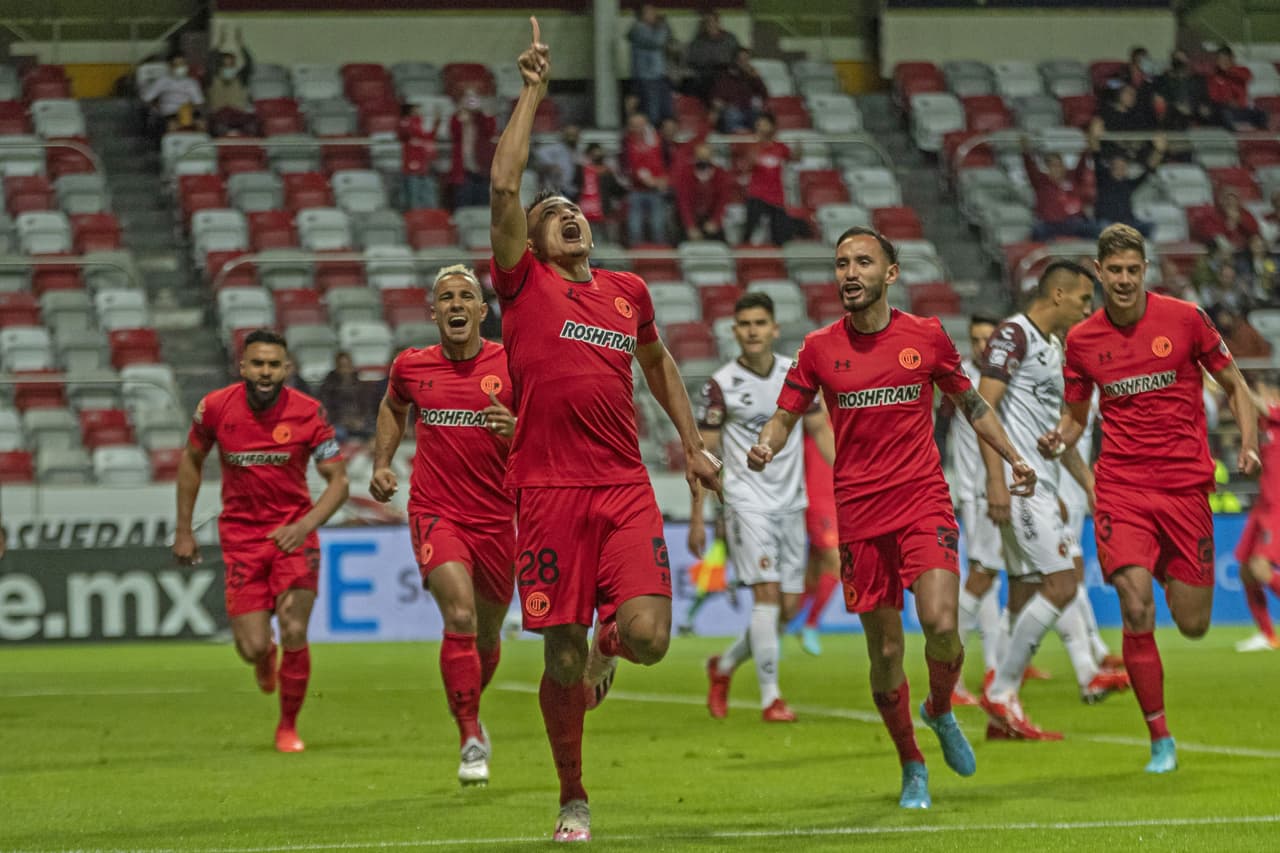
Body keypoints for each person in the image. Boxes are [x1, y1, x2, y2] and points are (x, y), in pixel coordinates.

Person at [489, 19, 723, 841]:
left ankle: (610, 641)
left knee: (652, 638)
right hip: (548, 492)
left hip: (622, 488)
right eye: (554, 215)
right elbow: (503, 189)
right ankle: (573, 794)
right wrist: (532, 90)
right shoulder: (523, 289)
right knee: (555, 662)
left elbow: (658, 366)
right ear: (536, 242)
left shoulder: (627, 291)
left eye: (575, 211)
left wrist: (690, 442)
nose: (569, 217)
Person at [750, 226, 1036, 809]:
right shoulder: (817, 348)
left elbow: (973, 404)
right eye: (840, 264)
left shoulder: (926, 338)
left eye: (861, 262)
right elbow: (785, 415)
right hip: (859, 513)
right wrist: (766, 444)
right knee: (883, 654)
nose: (848, 274)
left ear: (890, 273)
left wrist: (1013, 458)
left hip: (922, 500)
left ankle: (938, 706)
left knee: (940, 623)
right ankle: (911, 761)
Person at [1038, 223, 1260, 773]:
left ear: (1145, 270)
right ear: (1099, 271)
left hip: (1184, 489)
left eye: (1132, 270)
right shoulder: (1083, 340)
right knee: (1135, 604)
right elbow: (1075, 416)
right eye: (1113, 271)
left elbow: (1235, 385)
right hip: (1121, 488)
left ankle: (1161, 563)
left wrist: (1249, 444)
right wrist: (1060, 438)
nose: (1123, 280)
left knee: (1192, 624)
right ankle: (1159, 736)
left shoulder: (1185, 320)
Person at [368, 264, 517, 786]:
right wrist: (382, 463)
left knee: (487, 632)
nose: (456, 305)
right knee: (458, 614)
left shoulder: (512, 363)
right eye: (446, 298)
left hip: (499, 516)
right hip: (437, 510)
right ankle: (470, 735)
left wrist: (516, 428)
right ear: (434, 312)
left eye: (466, 298)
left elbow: (549, 430)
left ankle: (472, 710)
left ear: (482, 311)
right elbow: (393, 407)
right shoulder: (411, 366)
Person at [172, 328, 349, 752]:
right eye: (258, 363)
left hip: (293, 535)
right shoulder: (214, 408)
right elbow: (192, 460)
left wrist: (304, 527)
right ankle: (263, 657)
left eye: (273, 364)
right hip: (242, 539)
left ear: (286, 368)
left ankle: (288, 727)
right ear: (243, 366)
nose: (265, 372)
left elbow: (338, 482)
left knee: (294, 628)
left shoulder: (308, 412)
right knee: (251, 647)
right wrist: (183, 530)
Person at [976, 261, 1130, 741]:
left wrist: (1087, 484)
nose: (1090, 309)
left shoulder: (1052, 347)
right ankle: (1001, 691)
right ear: (1059, 295)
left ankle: (1001, 714)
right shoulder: (1013, 335)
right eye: (1085, 299)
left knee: (1024, 593)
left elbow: (1052, 436)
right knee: (1062, 584)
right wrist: (996, 481)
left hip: (1042, 483)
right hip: (1020, 487)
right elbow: (981, 406)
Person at [692, 292, 834, 722]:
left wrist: (850, 475)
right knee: (767, 599)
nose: (752, 331)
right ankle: (771, 697)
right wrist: (701, 515)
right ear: (735, 332)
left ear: (774, 329)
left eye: (760, 323)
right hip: (746, 504)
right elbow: (706, 455)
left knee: (787, 608)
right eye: (744, 324)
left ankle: (725, 665)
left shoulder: (796, 376)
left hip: (792, 504)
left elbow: (820, 431)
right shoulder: (720, 385)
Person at [940, 314, 1004, 706]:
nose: (983, 346)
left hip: (1010, 492)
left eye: (990, 339)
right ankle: (950, 671)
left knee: (992, 582)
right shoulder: (960, 378)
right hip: (983, 496)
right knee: (982, 578)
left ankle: (997, 665)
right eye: (976, 339)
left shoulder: (1003, 378)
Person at [1235, 373, 1280, 652]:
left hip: (1277, 508)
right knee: (1245, 572)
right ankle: (1267, 635)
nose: (1262, 394)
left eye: (1265, 389)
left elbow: (1259, 404)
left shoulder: (1276, 414)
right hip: (1262, 506)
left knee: (1260, 568)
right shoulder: (1265, 425)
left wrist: (1235, 383)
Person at [796, 410, 840, 657]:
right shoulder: (813, 413)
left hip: (836, 498)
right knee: (837, 564)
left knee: (812, 576)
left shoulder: (842, 412)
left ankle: (777, 628)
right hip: (817, 499)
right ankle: (811, 624)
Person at [1088, 117, 1165, 237]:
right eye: (1117, 165)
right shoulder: (1103, 178)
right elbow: (1095, 152)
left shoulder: (1129, 183)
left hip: (1127, 224)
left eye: (1123, 166)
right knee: (1101, 228)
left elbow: (1149, 169)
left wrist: (1159, 150)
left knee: (1150, 226)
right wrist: (1094, 135)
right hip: (1106, 224)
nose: (1120, 168)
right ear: (1111, 166)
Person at [1021, 135, 1099, 242]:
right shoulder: (1041, 181)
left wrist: (1087, 149)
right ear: (1048, 168)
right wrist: (1025, 150)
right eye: (1053, 165)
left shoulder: (1072, 177)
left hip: (1073, 223)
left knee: (1095, 229)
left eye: (1059, 165)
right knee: (1037, 231)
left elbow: (1081, 165)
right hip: (1049, 225)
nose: (1057, 168)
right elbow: (1030, 167)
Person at [743, 113, 802, 246]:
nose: (760, 128)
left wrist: (799, 147)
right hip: (756, 195)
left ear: (772, 127)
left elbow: (795, 158)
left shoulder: (780, 147)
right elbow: (747, 166)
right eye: (758, 125)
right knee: (749, 230)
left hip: (776, 196)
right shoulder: (752, 146)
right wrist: (758, 145)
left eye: (764, 124)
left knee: (780, 235)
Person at [622, 112, 671, 246]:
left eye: (640, 124)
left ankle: (661, 259)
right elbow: (631, 165)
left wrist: (665, 179)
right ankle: (636, 260)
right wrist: (649, 180)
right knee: (635, 227)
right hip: (636, 189)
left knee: (658, 225)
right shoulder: (627, 142)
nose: (637, 128)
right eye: (634, 125)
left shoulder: (658, 139)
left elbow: (667, 161)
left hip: (656, 190)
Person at [673, 142, 734, 242]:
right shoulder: (686, 173)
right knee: (679, 242)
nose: (703, 159)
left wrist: (715, 221)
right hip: (689, 217)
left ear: (711, 157)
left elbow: (723, 200)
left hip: (710, 216)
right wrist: (690, 226)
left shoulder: (720, 174)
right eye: (700, 156)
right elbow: (684, 202)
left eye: (706, 156)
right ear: (695, 157)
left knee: (722, 244)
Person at [627, 3, 674, 126]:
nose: (655, 15)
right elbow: (657, 42)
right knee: (652, 113)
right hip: (646, 77)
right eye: (650, 12)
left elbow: (668, 41)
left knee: (666, 110)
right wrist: (663, 26)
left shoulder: (655, 29)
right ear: (642, 15)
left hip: (659, 76)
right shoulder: (638, 29)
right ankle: (651, 138)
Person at [205, 26, 256, 136]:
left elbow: (249, 65)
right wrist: (218, 44)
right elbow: (209, 63)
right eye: (225, 64)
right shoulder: (212, 76)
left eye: (231, 64)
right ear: (220, 65)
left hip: (239, 116)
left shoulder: (241, 77)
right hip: (219, 117)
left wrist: (241, 45)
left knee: (252, 127)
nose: (228, 66)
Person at [450, 90, 497, 209]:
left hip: (481, 167)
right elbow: (454, 132)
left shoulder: (481, 119)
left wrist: (481, 112)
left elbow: (490, 130)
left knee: (482, 200)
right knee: (463, 200)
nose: (470, 102)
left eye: (473, 99)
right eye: (467, 99)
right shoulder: (458, 119)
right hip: (464, 169)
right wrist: (461, 112)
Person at [318, 351, 378, 442]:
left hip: (359, 422)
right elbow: (325, 409)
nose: (345, 370)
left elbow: (368, 407)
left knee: (375, 431)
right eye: (342, 366)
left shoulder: (361, 384)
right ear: (336, 367)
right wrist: (342, 421)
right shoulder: (328, 386)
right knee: (338, 433)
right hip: (338, 423)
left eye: (347, 365)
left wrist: (361, 420)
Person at [574, 142, 626, 245]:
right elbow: (576, 187)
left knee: (606, 240)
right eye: (594, 153)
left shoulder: (607, 171)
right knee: (588, 239)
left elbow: (616, 189)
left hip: (604, 210)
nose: (596, 156)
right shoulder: (581, 170)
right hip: (586, 210)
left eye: (598, 153)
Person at [684, 10, 741, 103]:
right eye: (707, 22)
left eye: (712, 21)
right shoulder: (698, 41)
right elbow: (691, 61)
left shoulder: (730, 39)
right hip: (705, 75)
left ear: (718, 22)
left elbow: (739, 58)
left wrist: (734, 68)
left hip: (725, 74)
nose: (710, 24)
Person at [709, 48, 769, 133]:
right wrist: (720, 107)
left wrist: (756, 78)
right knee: (733, 114)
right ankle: (739, 134)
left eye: (747, 60)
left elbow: (765, 94)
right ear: (735, 61)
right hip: (731, 111)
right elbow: (716, 100)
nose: (745, 63)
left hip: (749, 111)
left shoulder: (750, 77)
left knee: (759, 115)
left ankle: (752, 135)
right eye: (742, 60)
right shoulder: (724, 78)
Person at [142, 53, 205, 134]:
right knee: (171, 125)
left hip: (187, 112)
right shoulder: (162, 81)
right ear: (170, 67)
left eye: (182, 64)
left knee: (202, 124)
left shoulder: (192, 82)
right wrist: (156, 109)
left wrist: (192, 113)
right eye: (177, 64)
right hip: (168, 114)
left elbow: (199, 103)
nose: (180, 67)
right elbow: (146, 99)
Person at [1208, 46, 1268, 130]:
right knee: (1224, 114)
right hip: (1225, 109)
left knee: (1261, 114)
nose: (1223, 62)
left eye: (1226, 59)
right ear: (1217, 61)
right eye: (1221, 59)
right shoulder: (1214, 77)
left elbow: (1248, 76)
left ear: (1232, 59)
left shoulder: (1241, 71)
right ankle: (1234, 137)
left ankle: (1262, 137)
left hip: (1242, 109)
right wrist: (1227, 101)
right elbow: (1214, 96)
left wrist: (1229, 70)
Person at [1155, 49, 1212, 131]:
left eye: (1182, 58)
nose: (1179, 61)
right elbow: (1162, 97)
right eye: (1176, 58)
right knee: (1176, 116)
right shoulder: (1164, 79)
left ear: (1187, 60)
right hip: (1173, 113)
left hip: (1195, 112)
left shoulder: (1198, 79)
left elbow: (1205, 98)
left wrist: (1203, 107)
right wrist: (1177, 106)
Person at [399, 103, 440, 211]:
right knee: (414, 196)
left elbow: (429, 136)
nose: (419, 112)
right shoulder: (406, 122)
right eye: (416, 109)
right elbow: (405, 134)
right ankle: (415, 219)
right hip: (412, 165)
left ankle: (431, 217)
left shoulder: (420, 123)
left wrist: (436, 123)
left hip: (426, 165)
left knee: (429, 195)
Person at [534, 124, 581, 198]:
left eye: (574, 135)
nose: (571, 137)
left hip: (571, 190)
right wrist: (551, 165)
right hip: (556, 189)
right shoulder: (557, 148)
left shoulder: (578, 150)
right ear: (564, 135)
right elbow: (540, 152)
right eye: (569, 134)